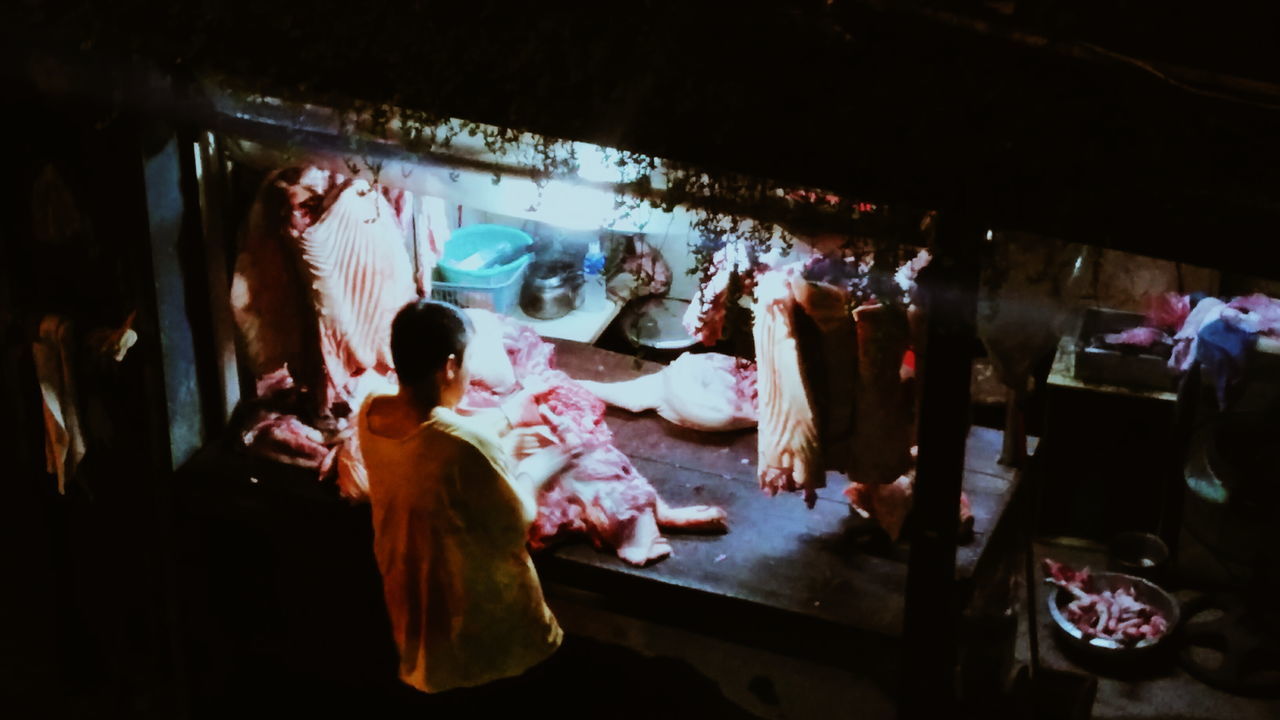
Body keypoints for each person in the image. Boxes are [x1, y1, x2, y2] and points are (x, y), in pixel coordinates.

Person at [357, 299, 574, 707]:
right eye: (469, 362)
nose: (472, 375)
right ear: (450, 366)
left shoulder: (372, 412)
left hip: (413, 608)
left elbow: (433, 435)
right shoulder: (464, 444)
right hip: (476, 623)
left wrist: (509, 417)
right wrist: (539, 468)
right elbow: (518, 521)